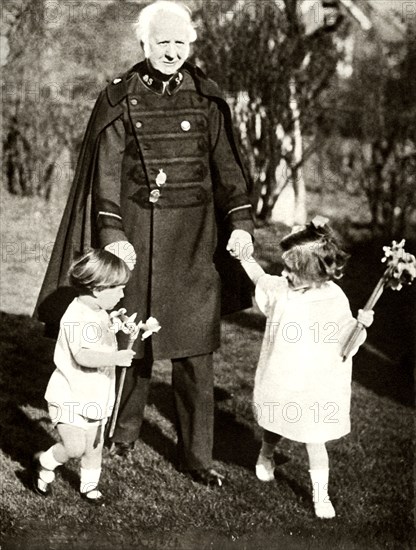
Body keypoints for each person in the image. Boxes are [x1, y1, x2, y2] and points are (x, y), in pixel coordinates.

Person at [35, 0, 254, 486]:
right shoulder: (118, 97)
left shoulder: (207, 97)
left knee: (196, 354)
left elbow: (229, 171)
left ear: (191, 44)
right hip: (134, 237)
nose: (171, 51)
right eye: (162, 42)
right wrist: (112, 237)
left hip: (196, 243)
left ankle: (198, 458)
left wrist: (240, 224)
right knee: (130, 340)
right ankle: (123, 433)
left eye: (179, 42)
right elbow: (105, 178)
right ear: (144, 44)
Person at [229, 217, 374, 518]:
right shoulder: (282, 289)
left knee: (314, 437)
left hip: (314, 382)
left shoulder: (334, 298)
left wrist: (361, 326)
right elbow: (261, 280)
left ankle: (320, 495)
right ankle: (266, 454)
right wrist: (245, 258)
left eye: (291, 270)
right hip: (283, 374)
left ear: (312, 274)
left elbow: (346, 340)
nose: (283, 273)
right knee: (275, 421)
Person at [32, 250, 136, 503]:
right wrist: (116, 358)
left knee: (94, 445)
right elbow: (83, 356)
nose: (123, 294)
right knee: (75, 447)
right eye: (119, 288)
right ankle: (44, 464)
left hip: (95, 392)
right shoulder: (77, 317)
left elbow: (102, 329)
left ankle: (89, 486)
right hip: (70, 392)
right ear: (98, 288)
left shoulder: (97, 309)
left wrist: (119, 324)